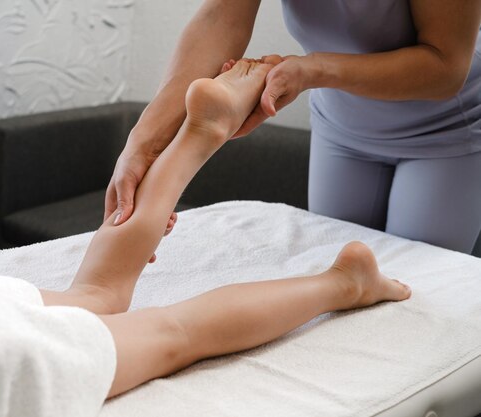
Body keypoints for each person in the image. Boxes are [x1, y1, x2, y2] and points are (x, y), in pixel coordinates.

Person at [41, 59, 412, 397]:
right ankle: (199, 134)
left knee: (168, 326)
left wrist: (311, 69)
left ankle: (345, 283)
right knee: (95, 293)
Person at [104, 0, 481, 258]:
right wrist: (143, 141)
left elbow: (444, 66)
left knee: (417, 287)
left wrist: (313, 70)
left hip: (446, 130)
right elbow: (221, 17)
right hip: (342, 127)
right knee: (338, 274)